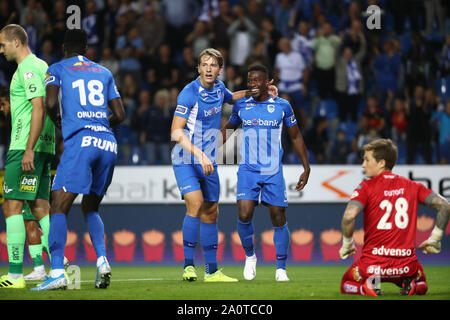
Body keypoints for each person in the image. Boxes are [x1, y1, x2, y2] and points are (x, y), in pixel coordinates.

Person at [171, 48, 277, 282]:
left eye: (213, 65)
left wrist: (260, 90)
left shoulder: (220, 89)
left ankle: (211, 272)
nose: (208, 69)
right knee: (196, 204)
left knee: (211, 211)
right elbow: (176, 132)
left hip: (208, 159)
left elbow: (233, 97)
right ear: (198, 68)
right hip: (186, 158)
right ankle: (189, 266)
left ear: (220, 70)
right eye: (204, 64)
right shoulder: (188, 94)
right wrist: (200, 155)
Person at [32, 29, 125, 291]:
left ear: (64, 47)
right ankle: (102, 261)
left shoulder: (57, 68)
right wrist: (97, 124)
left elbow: (50, 103)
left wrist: (60, 123)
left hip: (81, 143)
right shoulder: (104, 72)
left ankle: (59, 272)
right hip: (107, 143)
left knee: (58, 206)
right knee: (90, 208)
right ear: (86, 48)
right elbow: (120, 114)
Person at [221, 64, 310, 281]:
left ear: (267, 82)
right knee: (244, 213)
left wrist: (306, 167)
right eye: (249, 80)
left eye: (256, 80)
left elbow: (296, 136)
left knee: (278, 216)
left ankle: (281, 269)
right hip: (248, 169)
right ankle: (250, 257)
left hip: (273, 171)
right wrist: (205, 148)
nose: (252, 84)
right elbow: (229, 131)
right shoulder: (241, 105)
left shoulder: (283, 106)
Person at [339, 139, 450, 296]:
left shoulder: (365, 187)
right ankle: (411, 286)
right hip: (405, 266)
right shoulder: (413, 186)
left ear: (381, 163)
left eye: (367, 159)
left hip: (372, 266)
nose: (363, 164)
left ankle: (367, 287)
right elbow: (445, 206)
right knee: (422, 282)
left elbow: (349, 217)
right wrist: (435, 239)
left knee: (345, 283)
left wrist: (347, 244)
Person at [0, 24, 54, 289]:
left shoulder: (28, 68)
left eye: (3, 44)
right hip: (44, 146)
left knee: (11, 205)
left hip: (25, 146)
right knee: (39, 207)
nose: (1, 50)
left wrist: (29, 147)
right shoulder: (44, 66)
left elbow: (39, 106)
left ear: (17, 42)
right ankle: (60, 261)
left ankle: (15, 274)